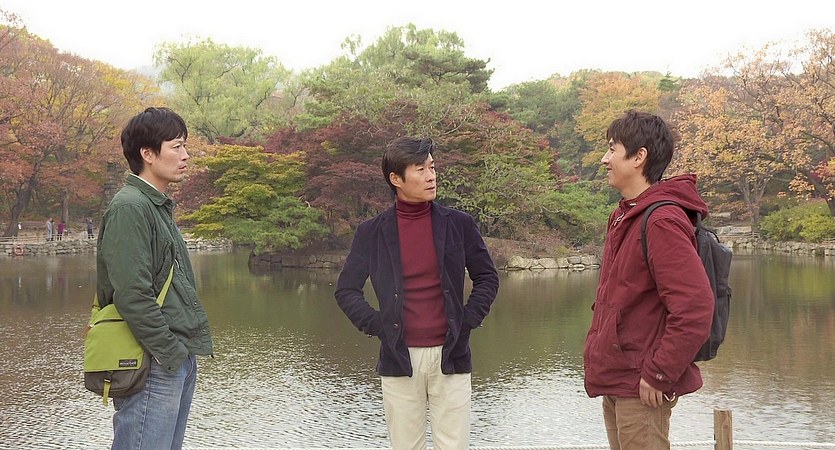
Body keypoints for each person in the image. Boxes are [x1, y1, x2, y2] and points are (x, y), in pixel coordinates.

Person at [335, 136, 499, 450]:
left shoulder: (459, 224)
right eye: (420, 170)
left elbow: (487, 278)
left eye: (432, 168)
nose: (431, 176)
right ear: (396, 179)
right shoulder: (372, 231)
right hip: (399, 356)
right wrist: (380, 325)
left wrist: (466, 321)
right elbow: (347, 290)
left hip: (451, 353)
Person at [583, 110, 714, 450]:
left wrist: (659, 373)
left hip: (643, 387)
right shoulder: (624, 215)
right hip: (619, 379)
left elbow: (695, 308)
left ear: (639, 156)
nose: (605, 159)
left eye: (612, 149)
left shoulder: (661, 220)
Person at [96, 107, 213, 450]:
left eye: (184, 146)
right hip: (152, 359)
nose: (185, 155)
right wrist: (170, 353)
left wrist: (180, 355)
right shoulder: (131, 207)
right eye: (176, 146)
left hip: (171, 356)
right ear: (147, 154)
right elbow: (132, 295)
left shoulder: (155, 206)